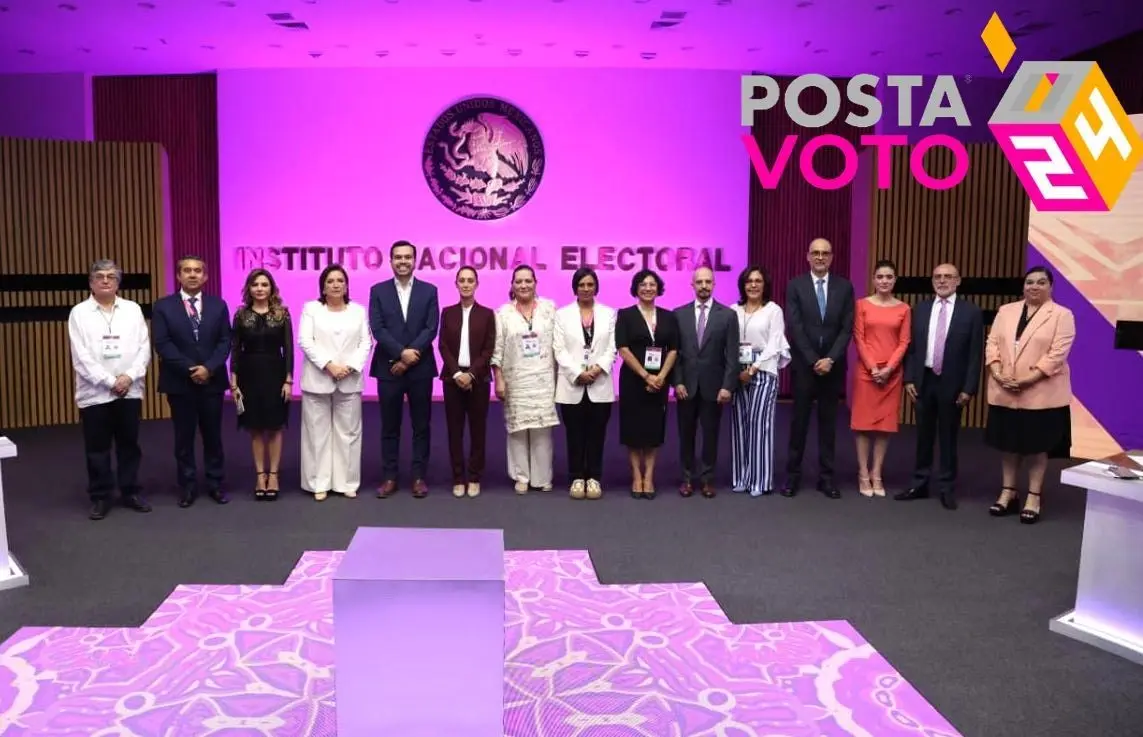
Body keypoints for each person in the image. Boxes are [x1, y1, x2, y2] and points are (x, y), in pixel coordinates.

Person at [984, 266, 1075, 524]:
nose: (1034, 287)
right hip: (1005, 390)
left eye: (1041, 282)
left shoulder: (1061, 315)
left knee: (1037, 448)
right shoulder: (1006, 311)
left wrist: (1027, 380)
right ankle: (1008, 492)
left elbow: (1057, 354)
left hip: (1040, 394)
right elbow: (992, 343)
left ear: (1051, 286)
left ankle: (1034, 496)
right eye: (1029, 282)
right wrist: (997, 371)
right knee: (1009, 446)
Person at [67, 259, 152, 520]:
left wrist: (128, 377)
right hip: (95, 393)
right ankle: (101, 496)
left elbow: (144, 348)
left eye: (111, 277)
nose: (106, 280)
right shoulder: (79, 313)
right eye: (100, 276)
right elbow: (80, 357)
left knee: (129, 444)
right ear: (91, 282)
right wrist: (109, 381)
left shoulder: (132, 309)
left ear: (118, 282)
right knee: (97, 447)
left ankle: (130, 491)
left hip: (130, 389)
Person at [897, 263, 983, 510]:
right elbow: (911, 349)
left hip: (953, 384)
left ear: (958, 281)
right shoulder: (921, 309)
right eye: (938, 277)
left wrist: (969, 388)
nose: (942, 281)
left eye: (948, 277)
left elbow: (975, 354)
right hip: (923, 381)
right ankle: (919, 483)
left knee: (948, 437)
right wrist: (909, 378)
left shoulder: (971, 312)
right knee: (922, 436)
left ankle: (946, 487)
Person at [152, 255, 231, 507]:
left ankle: (216, 484)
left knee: (213, 436)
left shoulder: (218, 305)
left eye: (198, 270)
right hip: (180, 383)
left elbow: (225, 341)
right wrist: (190, 369)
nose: (193, 274)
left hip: (212, 381)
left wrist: (208, 368)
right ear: (179, 276)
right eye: (187, 270)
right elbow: (162, 343)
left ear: (205, 276)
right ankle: (187, 486)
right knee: (183, 438)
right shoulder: (163, 306)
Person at [783, 238, 855, 498]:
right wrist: (814, 359)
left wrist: (831, 359)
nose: (820, 257)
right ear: (808, 256)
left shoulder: (845, 287)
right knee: (798, 423)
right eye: (816, 253)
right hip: (805, 366)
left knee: (828, 425)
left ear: (832, 257)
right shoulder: (795, 285)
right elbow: (795, 326)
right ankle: (792, 476)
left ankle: (827, 478)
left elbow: (847, 328)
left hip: (833, 368)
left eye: (825, 253)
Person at [368, 240, 440, 498]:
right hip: (388, 368)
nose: (403, 261)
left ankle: (419, 477)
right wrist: (401, 353)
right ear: (390, 261)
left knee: (422, 425)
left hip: (420, 368)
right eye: (398, 257)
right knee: (390, 426)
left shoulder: (429, 290)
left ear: (415, 260)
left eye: (407, 257)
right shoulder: (378, 290)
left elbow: (431, 328)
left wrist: (409, 357)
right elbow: (378, 329)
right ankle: (389, 477)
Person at [298, 265, 372, 501]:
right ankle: (319, 482)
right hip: (319, 377)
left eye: (340, 280)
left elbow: (365, 342)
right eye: (330, 281)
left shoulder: (358, 311)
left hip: (349, 379)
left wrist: (349, 367)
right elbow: (305, 341)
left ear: (347, 285)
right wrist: (329, 365)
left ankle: (346, 482)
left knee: (348, 433)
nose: (336, 284)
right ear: (323, 285)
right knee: (316, 433)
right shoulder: (311, 309)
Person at [491, 264, 560, 493]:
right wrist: (498, 379)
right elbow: (497, 349)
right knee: (517, 429)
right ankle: (521, 476)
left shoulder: (549, 309)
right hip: (516, 378)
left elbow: (558, 345)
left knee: (542, 429)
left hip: (544, 377)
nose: (523, 285)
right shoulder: (503, 313)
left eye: (528, 281)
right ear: (512, 285)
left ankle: (541, 477)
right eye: (518, 281)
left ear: (535, 283)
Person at [671, 266, 738, 498]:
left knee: (711, 434)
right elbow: (675, 353)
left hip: (714, 387)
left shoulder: (728, 316)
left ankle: (708, 479)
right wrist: (677, 382)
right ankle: (687, 478)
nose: (704, 286)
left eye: (708, 282)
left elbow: (732, 355)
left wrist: (727, 386)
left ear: (714, 284)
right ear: (692, 285)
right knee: (686, 434)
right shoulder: (678, 314)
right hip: (685, 387)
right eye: (699, 282)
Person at [229, 268, 293, 500]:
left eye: (264, 284)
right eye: (255, 284)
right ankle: (260, 474)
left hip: (275, 374)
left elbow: (289, 349)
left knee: (275, 426)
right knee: (255, 427)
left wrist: (288, 379)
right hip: (249, 374)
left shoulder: (282, 314)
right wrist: (234, 380)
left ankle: (274, 474)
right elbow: (235, 348)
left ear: (271, 288)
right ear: (249, 288)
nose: (260, 288)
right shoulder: (241, 315)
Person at [615, 269, 680, 499]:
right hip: (634, 380)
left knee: (653, 430)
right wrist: (646, 375)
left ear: (658, 288)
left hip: (659, 381)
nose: (648, 288)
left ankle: (649, 476)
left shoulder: (668, 316)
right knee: (633, 430)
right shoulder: (625, 314)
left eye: (652, 284)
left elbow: (673, 349)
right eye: (643, 284)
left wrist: (661, 376)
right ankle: (636, 476)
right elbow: (623, 348)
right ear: (636, 288)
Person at [553, 267, 617, 500]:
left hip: (600, 384)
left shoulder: (609, 314)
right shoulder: (562, 315)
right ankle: (576, 477)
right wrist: (578, 372)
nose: (586, 289)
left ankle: (595, 478)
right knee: (575, 434)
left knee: (597, 433)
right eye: (582, 285)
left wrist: (598, 368)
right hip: (572, 384)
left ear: (596, 287)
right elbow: (558, 349)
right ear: (575, 288)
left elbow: (612, 347)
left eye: (590, 285)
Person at [850, 260, 911, 498]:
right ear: (873, 280)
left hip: (891, 375)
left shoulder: (904, 309)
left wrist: (889, 368)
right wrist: (874, 367)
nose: (884, 281)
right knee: (864, 425)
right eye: (880, 276)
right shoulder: (862, 305)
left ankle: (877, 473)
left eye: (889, 277)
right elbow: (859, 337)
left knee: (884, 427)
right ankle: (863, 473)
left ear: (895, 280)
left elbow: (904, 341)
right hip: (867, 372)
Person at [729, 266, 790, 497]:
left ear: (765, 285)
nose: (753, 285)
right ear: (743, 285)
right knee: (740, 424)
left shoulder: (773, 310)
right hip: (738, 370)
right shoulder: (734, 310)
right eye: (749, 281)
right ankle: (742, 477)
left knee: (759, 425)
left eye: (758, 281)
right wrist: (736, 369)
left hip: (763, 369)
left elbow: (775, 343)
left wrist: (753, 369)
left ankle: (760, 481)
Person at [438, 266, 496, 498]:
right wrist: (456, 374)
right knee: (454, 430)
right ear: (456, 284)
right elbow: (442, 346)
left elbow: (488, 349)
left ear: (476, 284)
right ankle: (458, 477)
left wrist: (471, 374)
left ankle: (474, 476)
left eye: (470, 280)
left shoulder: (487, 314)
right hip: (452, 379)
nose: (465, 284)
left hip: (478, 379)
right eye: (461, 280)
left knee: (478, 430)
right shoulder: (447, 312)